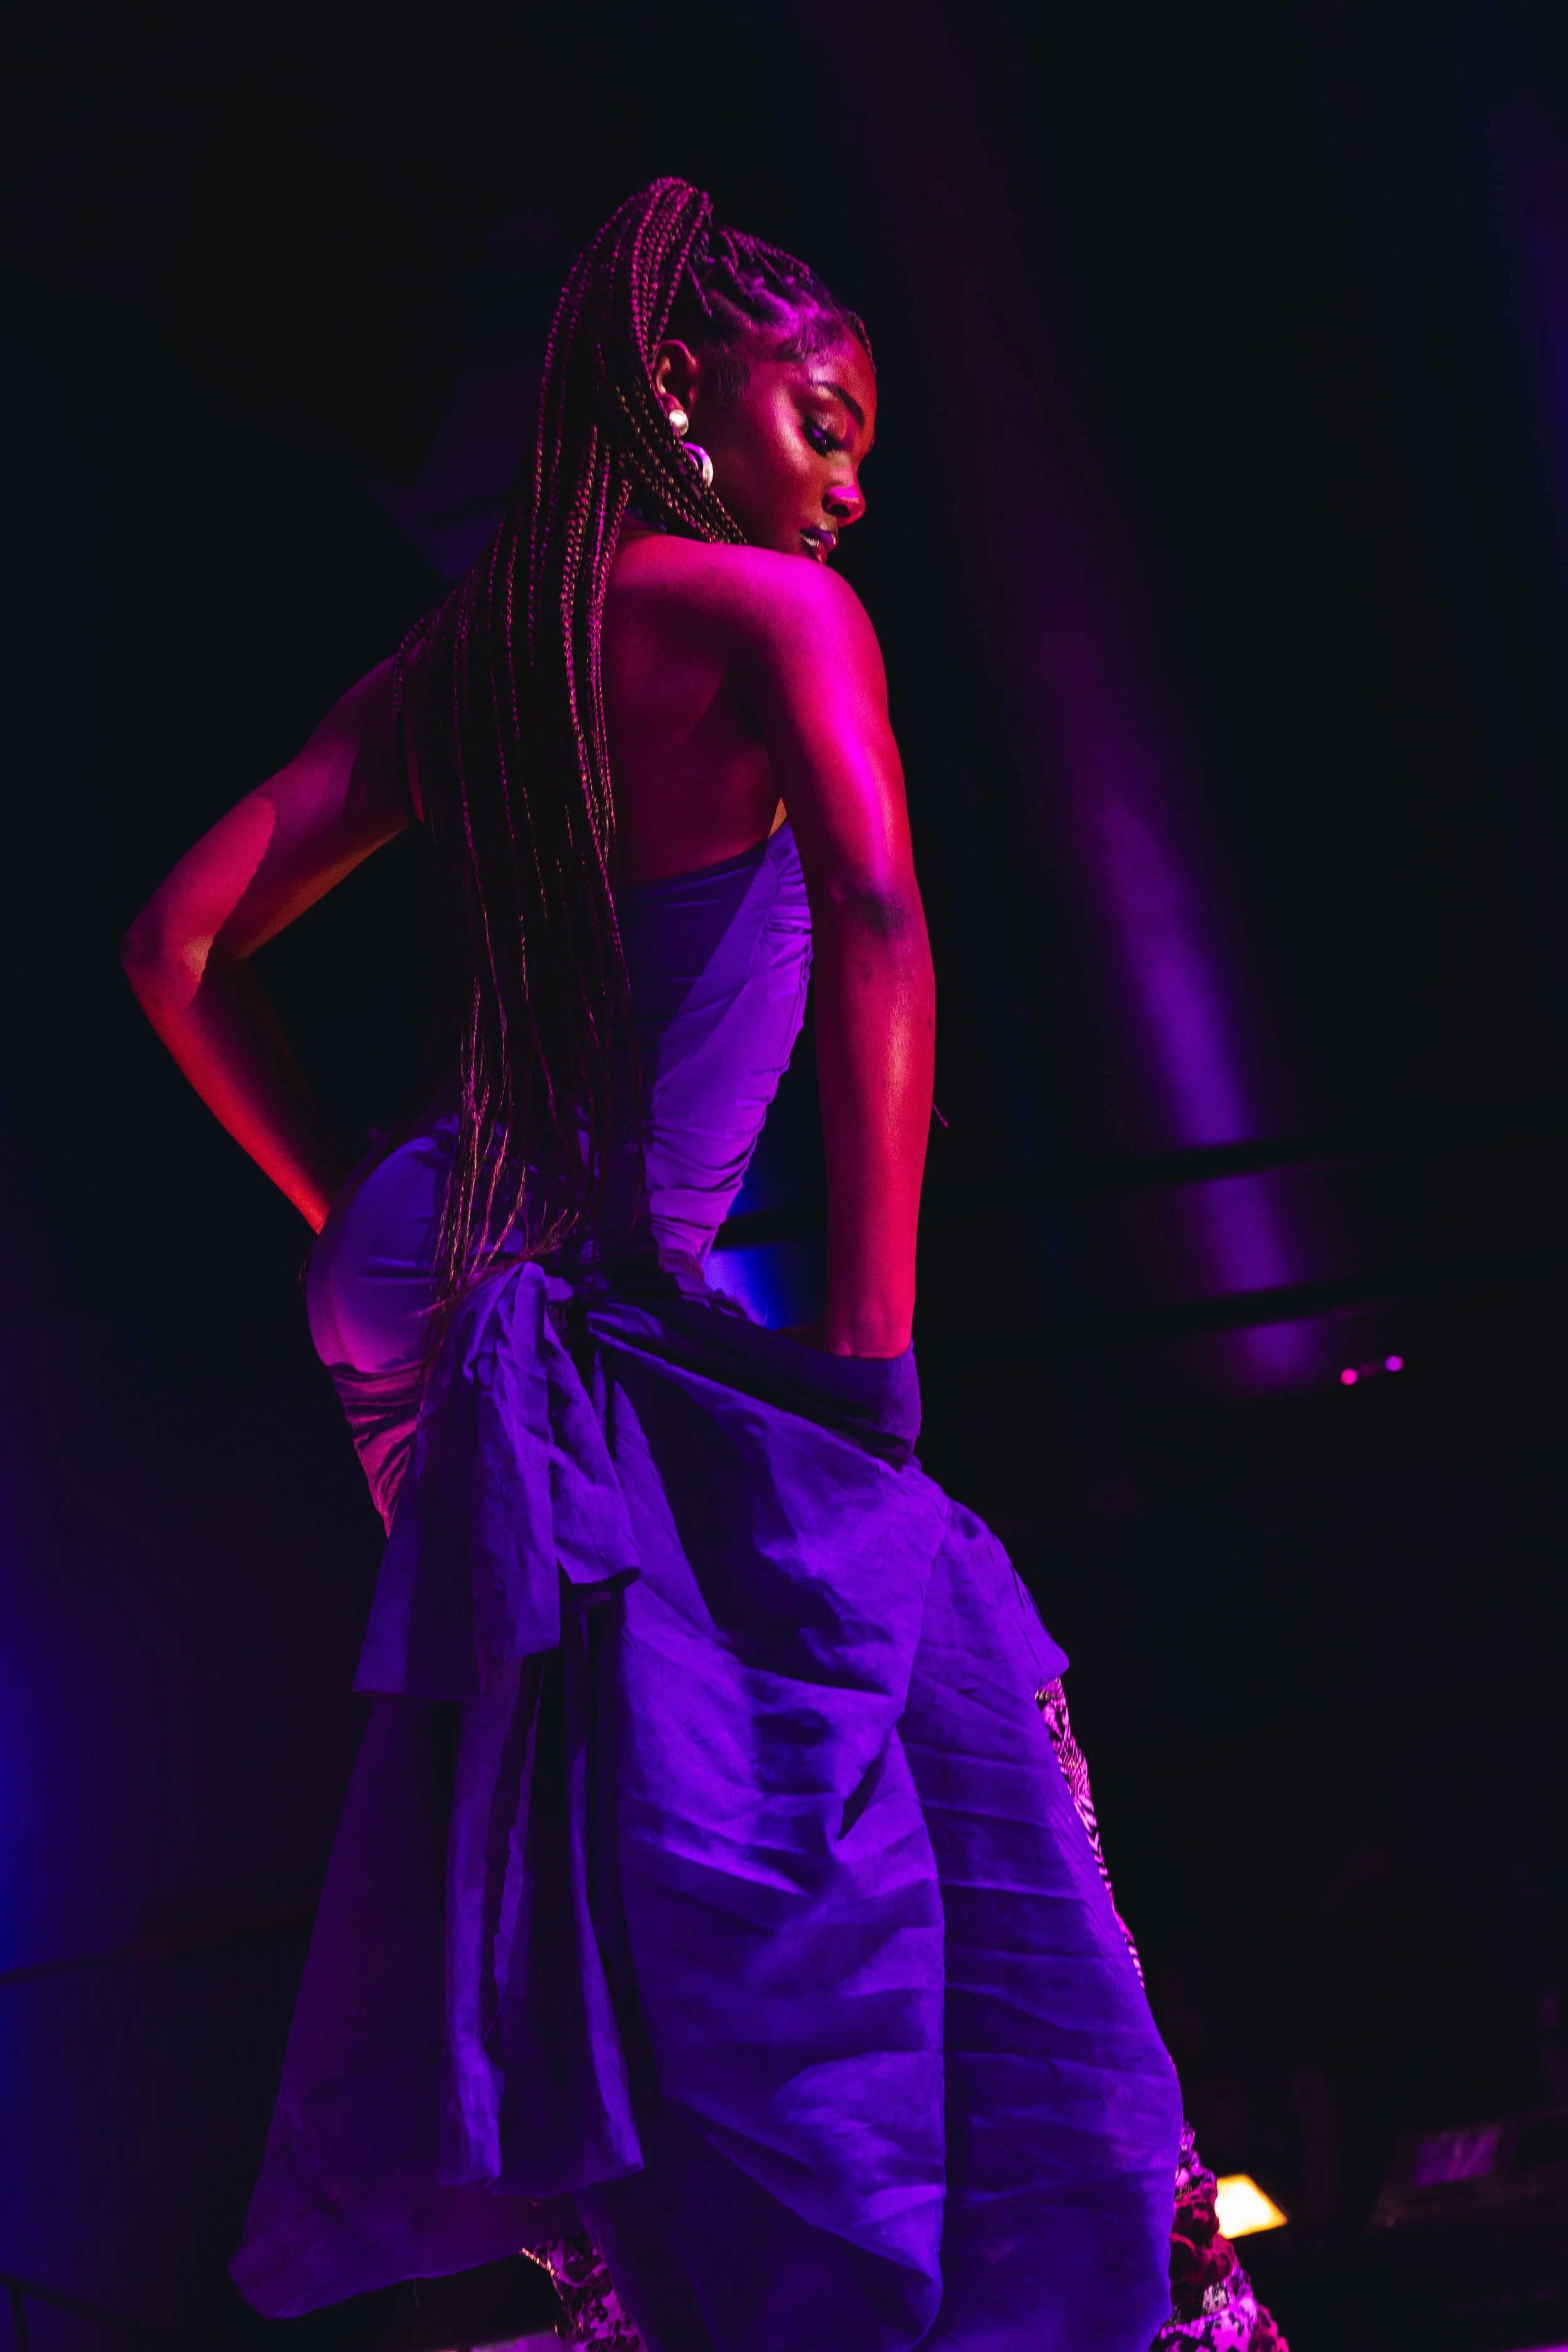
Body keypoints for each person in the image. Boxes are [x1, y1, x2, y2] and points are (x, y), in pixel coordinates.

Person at [123, 178, 1261, 2352]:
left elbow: (169, 948)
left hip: (433, 1303)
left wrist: (361, 1224)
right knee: (916, 1714)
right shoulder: (764, 618)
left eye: (855, 448)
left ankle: (669, 2299)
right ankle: (973, 2290)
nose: (842, 485)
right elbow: (881, 927)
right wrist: (869, 1337)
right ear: (682, 390)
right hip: (595, 1305)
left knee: (628, 1820)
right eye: (819, 421)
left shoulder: (465, 653)